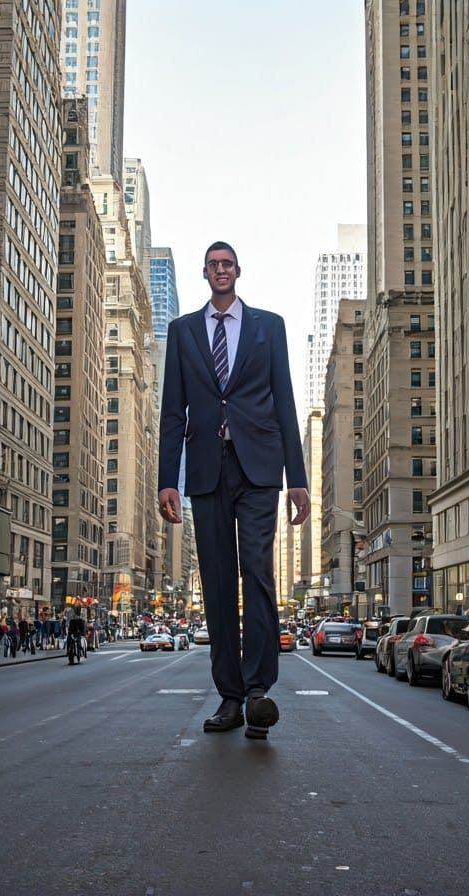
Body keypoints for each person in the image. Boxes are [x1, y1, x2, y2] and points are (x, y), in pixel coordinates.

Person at [157, 241, 310, 741]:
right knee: (218, 583)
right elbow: (171, 412)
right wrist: (166, 480)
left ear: (237, 272)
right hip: (206, 470)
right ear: (206, 274)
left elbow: (284, 400)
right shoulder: (182, 332)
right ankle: (229, 695)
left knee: (258, 575)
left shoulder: (269, 326)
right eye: (213, 265)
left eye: (228, 264)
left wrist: (298, 479)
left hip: (260, 468)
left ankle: (258, 690)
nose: (221, 270)